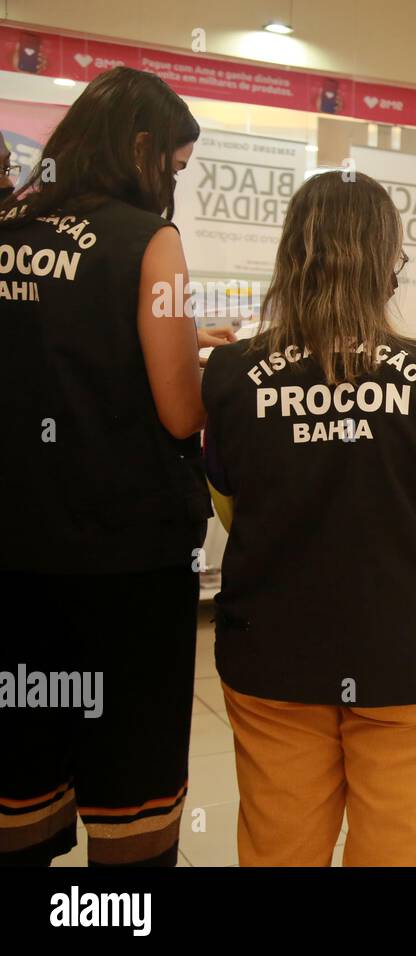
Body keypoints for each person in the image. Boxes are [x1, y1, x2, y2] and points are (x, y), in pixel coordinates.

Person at [201, 170, 416, 867]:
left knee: (279, 852)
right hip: (415, 663)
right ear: (386, 264)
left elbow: (228, 503)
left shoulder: (229, 375)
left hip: (274, 656)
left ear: (290, 258)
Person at [0, 67, 233, 866]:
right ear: (141, 148)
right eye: (172, 165)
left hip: (16, 548)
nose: (171, 184)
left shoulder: (6, 224)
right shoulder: (147, 240)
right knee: (129, 762)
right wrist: (208, 366)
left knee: (22, 752)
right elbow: (178, 410)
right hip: (122, 554)